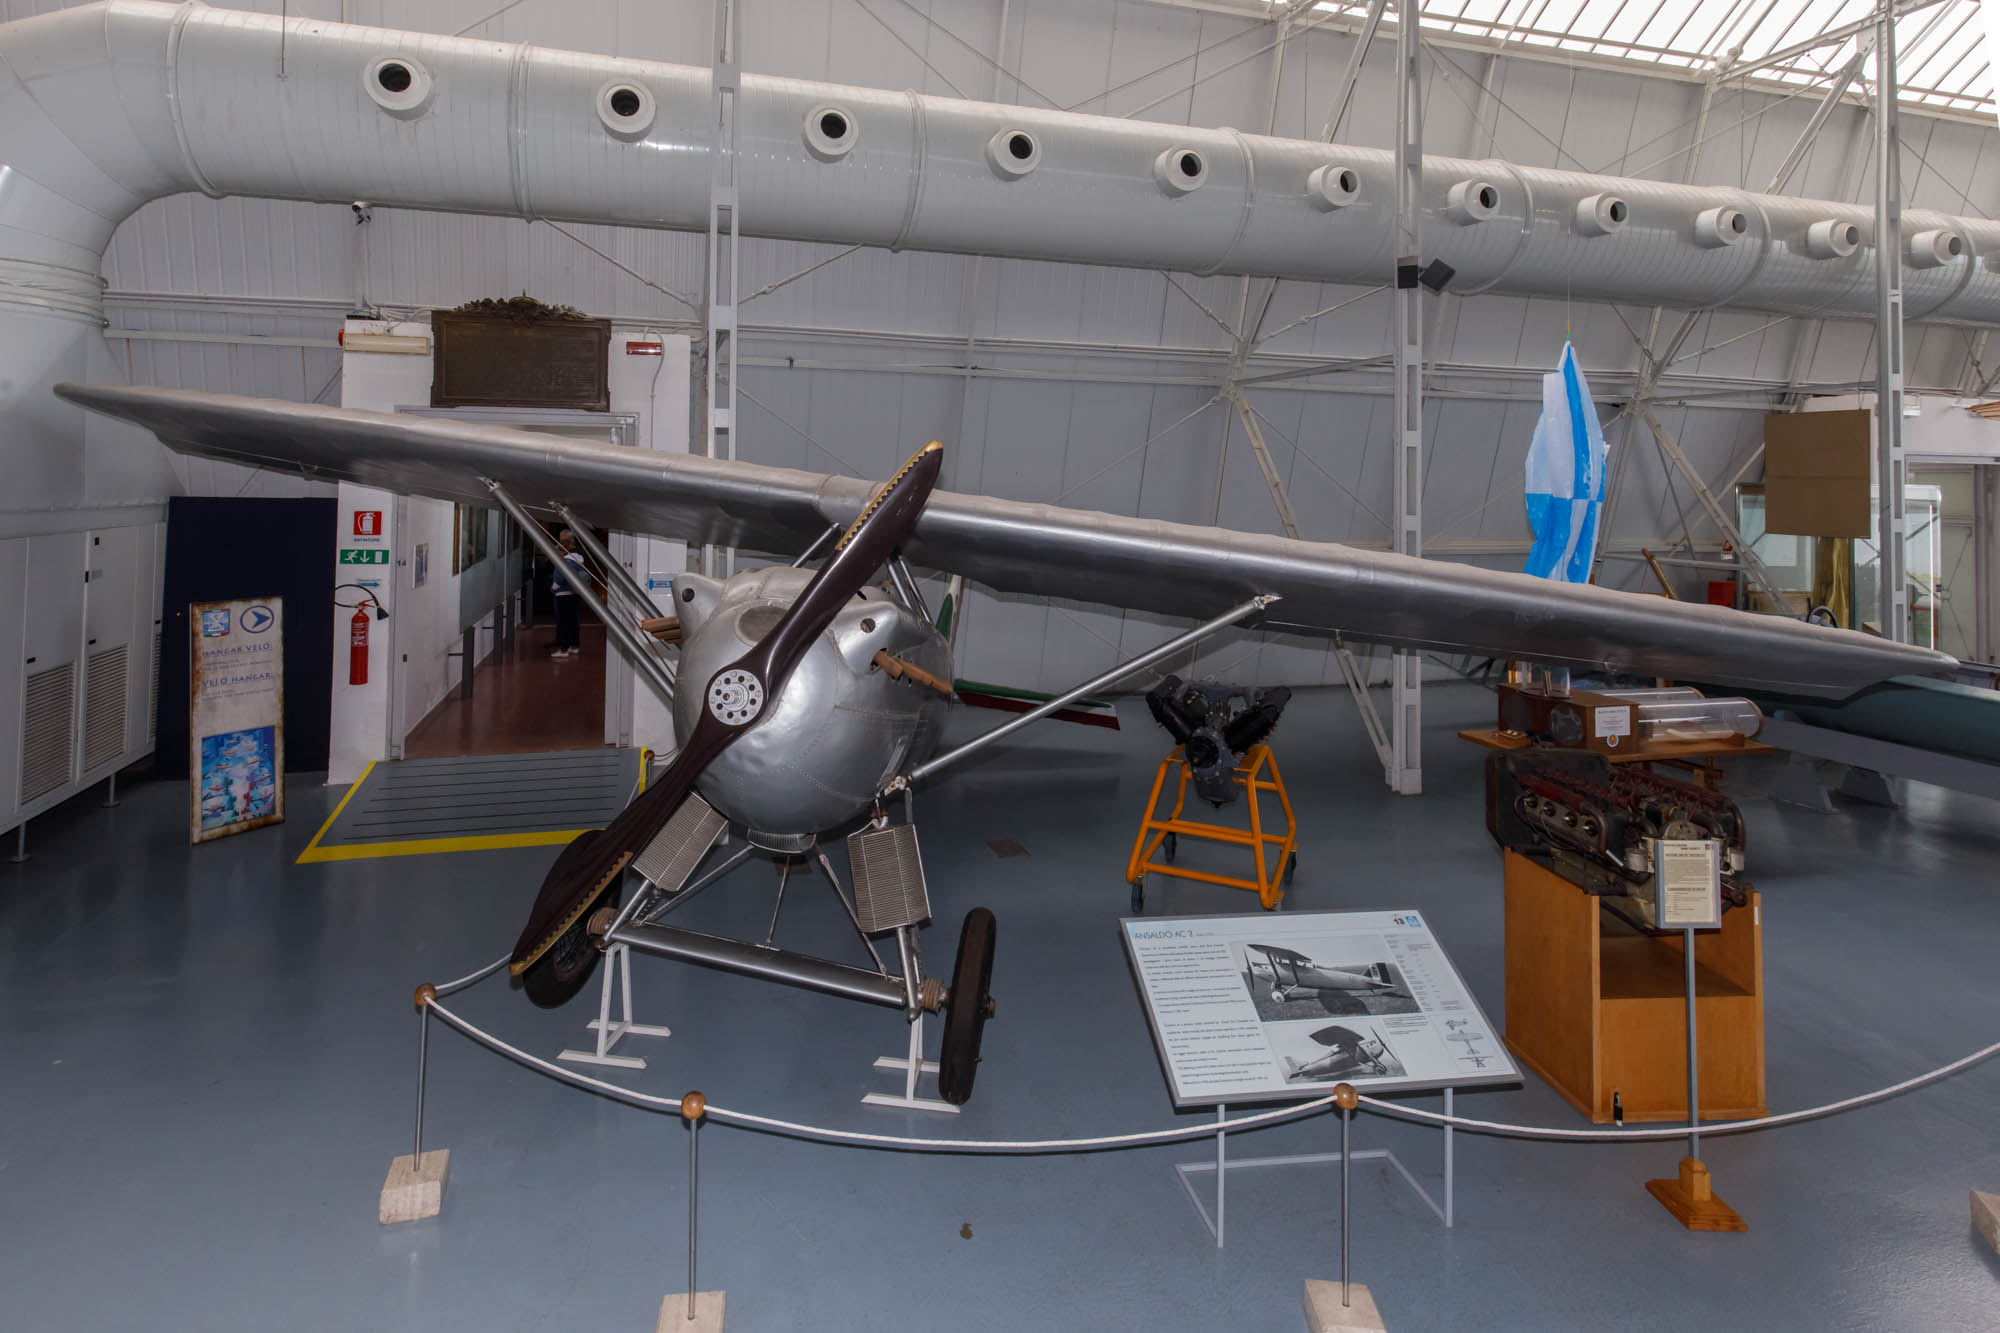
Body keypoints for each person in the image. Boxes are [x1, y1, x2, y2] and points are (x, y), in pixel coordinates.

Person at [551, 528, 587, 658]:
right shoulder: (578, 560)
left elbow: (560, 578)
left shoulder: (565, 561)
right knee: (573, 621)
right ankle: (574, 645)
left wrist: (554, 587)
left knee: (563, 622)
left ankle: (563, 649)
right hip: (575, 593)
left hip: (562, 594)